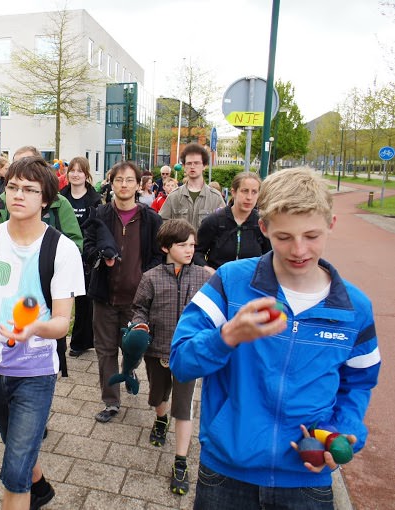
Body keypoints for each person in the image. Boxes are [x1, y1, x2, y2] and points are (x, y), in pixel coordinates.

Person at [171, 167, 380, 509]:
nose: (299, 250)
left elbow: (358, 383)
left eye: (312, 235)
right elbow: (181, 362)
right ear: (264, 227)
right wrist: (227, 336)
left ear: (331, 224)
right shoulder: (231, 283)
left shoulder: (354, 308)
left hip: (307, 478)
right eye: (284, 237)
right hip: (226, 473)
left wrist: (340, 433)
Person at [0, 156, 84, 510]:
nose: (18, 195)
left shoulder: (63, 250)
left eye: (29, 190)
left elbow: (62, 323)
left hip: (36, 372)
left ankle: (28, 486)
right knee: (18, 446)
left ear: (46, 200)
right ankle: (39, 486)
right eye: (13, 187)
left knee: (14, 470)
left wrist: (35, 328)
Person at [129, 219, 210, 495]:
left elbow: (214, 311)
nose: (189, 250)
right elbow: (139, 308)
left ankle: (180, 460)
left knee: (184, 406)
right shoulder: (150, 277)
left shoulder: (204, 277)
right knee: (158, 396)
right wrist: (140, 325)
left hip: (189, 354)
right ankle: (160, 419)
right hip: (157, 351)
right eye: (182, 245)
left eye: (192, 244)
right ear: (165, 247)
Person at [83, 160, 163, 423]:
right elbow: (88, 247)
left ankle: (130, 371)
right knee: (105, 350)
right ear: (112, 182)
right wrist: (100, 256)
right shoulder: (100, 215)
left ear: (138, 184)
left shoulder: (151, 219)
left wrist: (145, 280)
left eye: (130, 180)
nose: (124, 185)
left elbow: (158, 256)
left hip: (137, 302)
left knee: (133, 349)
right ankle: (111, 402)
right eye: (119, 180)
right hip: (104, 296)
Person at [0, 146, 83, 252]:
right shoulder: (1, 201)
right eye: (15, 164)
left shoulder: (59, 203)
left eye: (27, 163)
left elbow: (74, 245)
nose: (20, 169)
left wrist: (48, 258)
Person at [60, 156, 101, 357]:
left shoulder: (95, 200)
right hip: (61, 255)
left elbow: (95, 229)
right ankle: (55, 341)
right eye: (72, 171)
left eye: (80, 171)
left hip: (86, 257)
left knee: (85, 302)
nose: (75, 174)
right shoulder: (60, 197)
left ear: (86, 175)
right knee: (59, 298)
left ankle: (80, 342)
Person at [194, 172, 270, 273]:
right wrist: (208, 270)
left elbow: (270, 256)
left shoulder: (262, 223)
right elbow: (197, 252)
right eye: (245, 191)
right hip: (219, 282)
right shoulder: (214, 221)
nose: (249, 197)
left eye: (254, 192)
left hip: (250, 283)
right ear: (233, 192)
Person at [158, 143, 225, 230]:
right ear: (184, 166)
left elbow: (224, 227)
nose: (192, 167)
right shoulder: (174, 197)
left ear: (204, 166)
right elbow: (162, 225)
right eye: (189, 163)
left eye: (196, 163)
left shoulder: (215, 197)